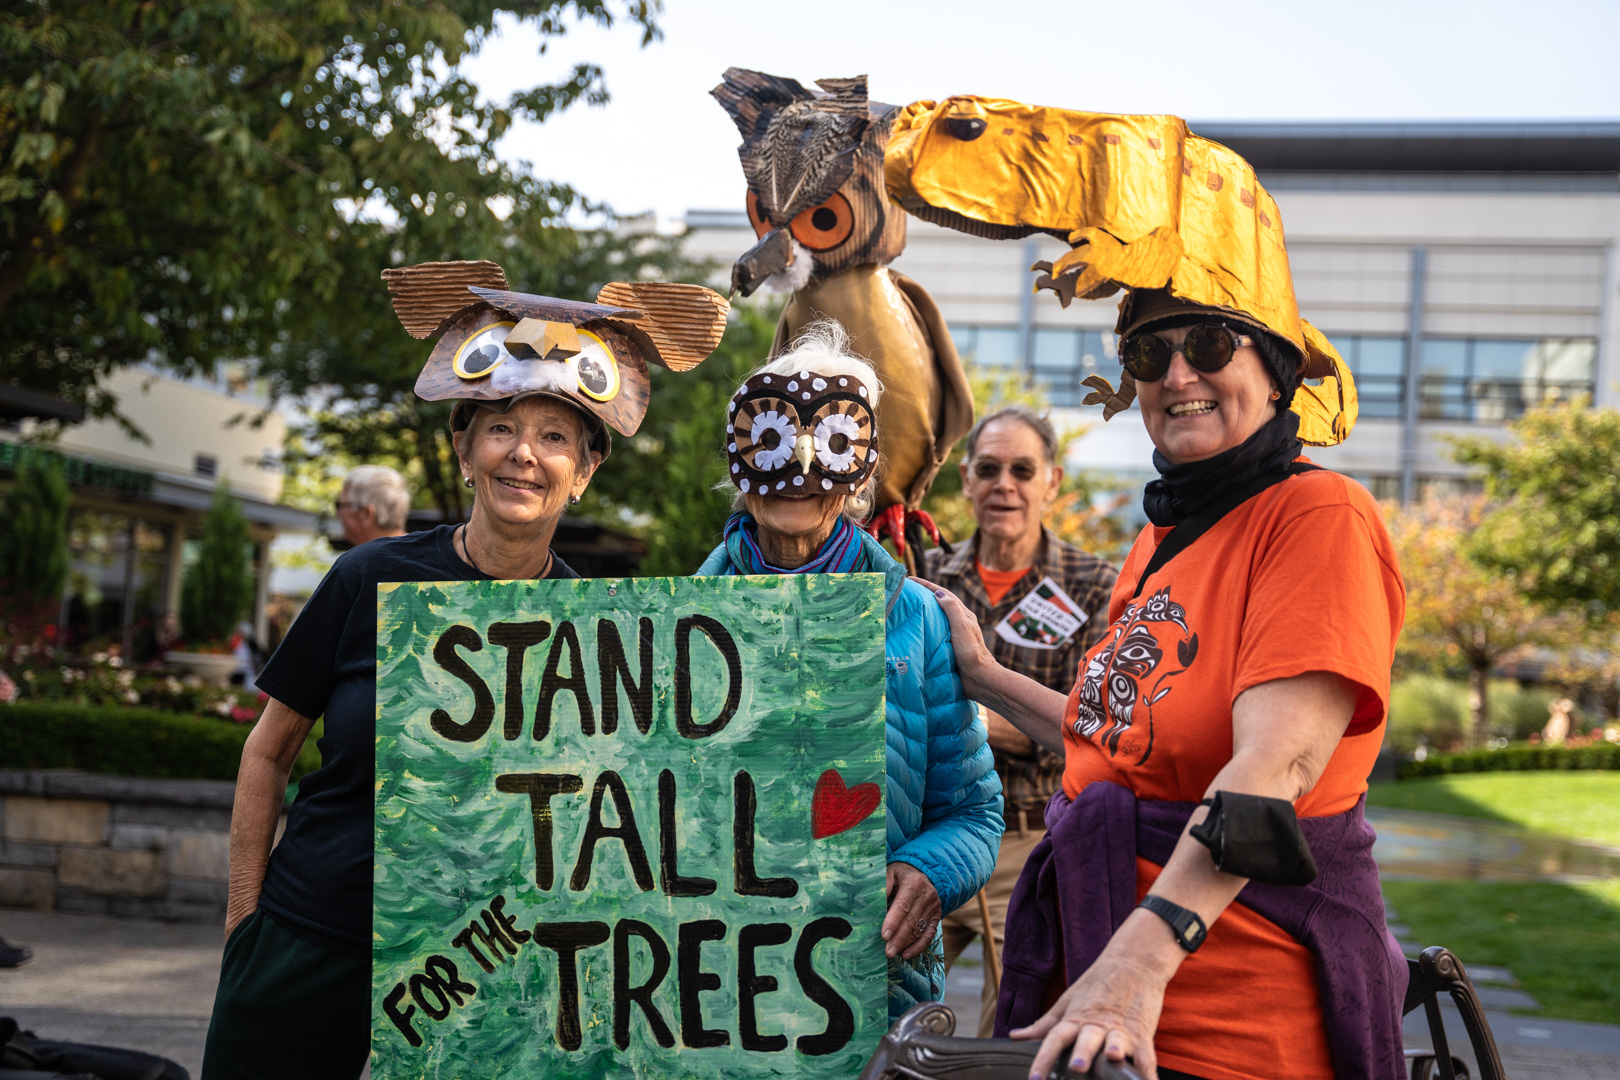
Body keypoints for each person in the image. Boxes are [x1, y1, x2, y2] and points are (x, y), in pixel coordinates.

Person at [924, 288, 1405, 1080]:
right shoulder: (1160, 539)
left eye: (1211, 345)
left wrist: (1135, 973)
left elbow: (1273, 772)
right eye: (1150, 354)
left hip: (1229, 1020)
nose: (1180, 372)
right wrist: (985, 676)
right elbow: (1114, 740)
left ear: (1276, 371)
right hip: (1102, 992)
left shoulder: (1320, 514)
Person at [695, 321, 1003, 1021]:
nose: (801, 468)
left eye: (831, 442)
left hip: (872, 984)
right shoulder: (678, 618)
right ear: (739, 457)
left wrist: (932, 869)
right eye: (773, 438)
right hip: (718, 984)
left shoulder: (919, 619)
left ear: (861, 467)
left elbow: (973, 811)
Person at [923, 404, 1116, 1038]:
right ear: (967, 482)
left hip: (1029, 844)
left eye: (1022, 469)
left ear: (1052, 482)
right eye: (988, 468)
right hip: (926, 838)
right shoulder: (923, 580)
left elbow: (1094, 728)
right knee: (887, 1025)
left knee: (1011, 1038)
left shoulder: (1096, 588)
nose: (1005, 483)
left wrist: (958, 711)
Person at [333, 464, 410, 547]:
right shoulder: (417, 552)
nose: (337, 514)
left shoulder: (368, 558)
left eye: (339, 505)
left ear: (366, 514)